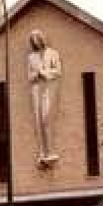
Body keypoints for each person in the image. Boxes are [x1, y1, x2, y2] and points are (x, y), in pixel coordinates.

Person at [26, 29, 62, 163]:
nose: (35, 42)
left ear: (41, 39)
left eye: (37, 39)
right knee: (38, 121)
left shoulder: (52, 53)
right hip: (36, 89)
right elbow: (29, 76)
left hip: (48, 88)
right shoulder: (31, 57)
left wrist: (45, 73)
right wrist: (37, 74)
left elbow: (58, 71)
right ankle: (42, 153)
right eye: (33, 40)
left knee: (46, 119)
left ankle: (50, 151)